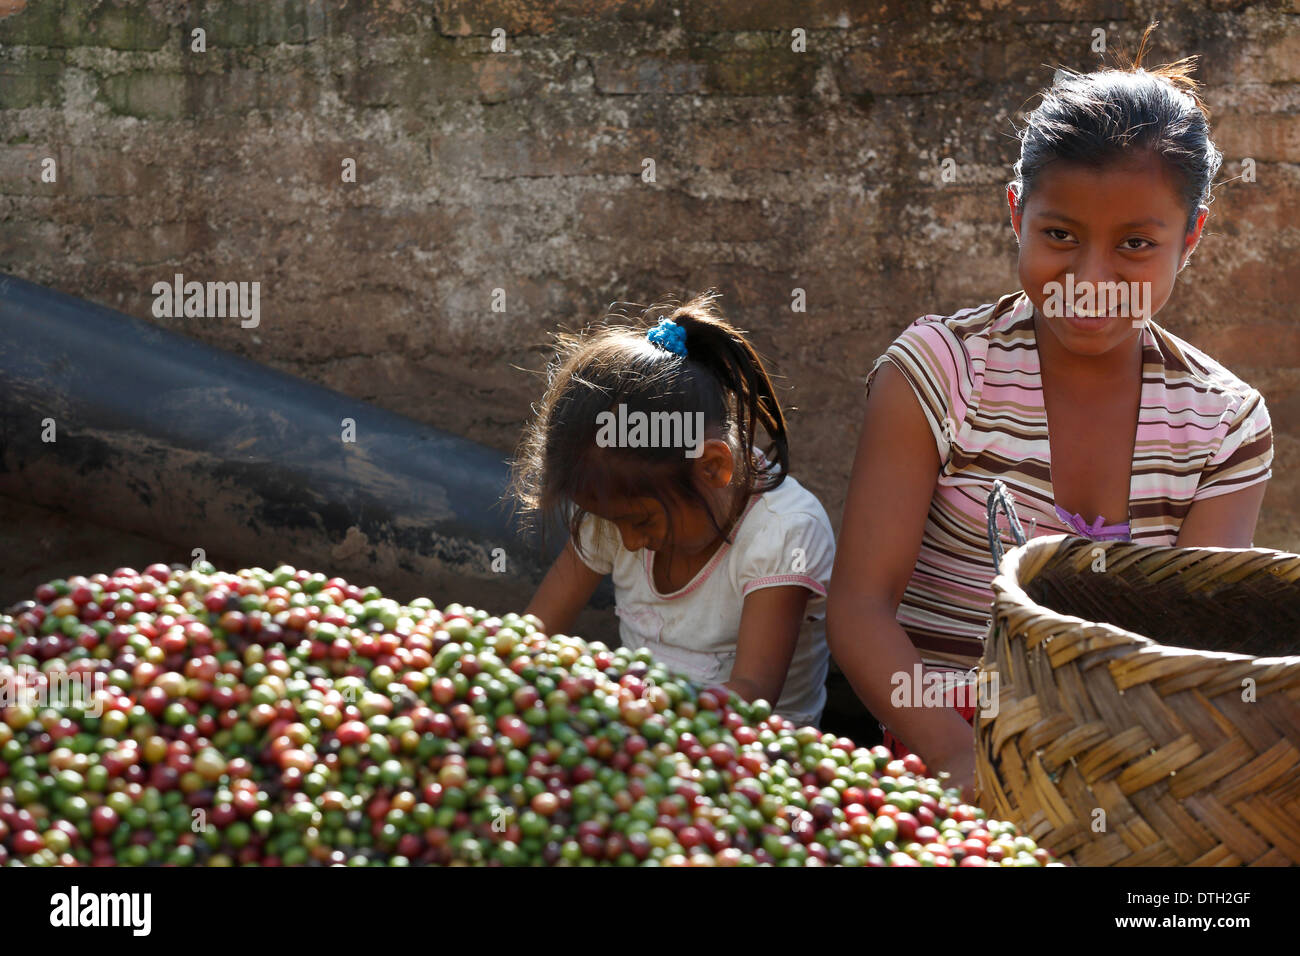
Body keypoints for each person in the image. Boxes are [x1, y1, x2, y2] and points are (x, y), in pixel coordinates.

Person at [827, 28, 1275, 798]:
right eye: (1060, 235)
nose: (1091, 278)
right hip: (931, 762)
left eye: (1135, 244)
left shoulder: (1225, 426)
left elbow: (1190, 659)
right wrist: (963, 764)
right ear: (1016, 215)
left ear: (1191, 237)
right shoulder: (939, 373)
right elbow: (862, 608)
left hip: (1127, 779)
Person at [509, 291, 836, 727]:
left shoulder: (784, 533)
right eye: (614, 522)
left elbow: (751, 699)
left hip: (753, 759)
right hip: (637, 743)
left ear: (713, 467)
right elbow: (533, 633)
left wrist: (630, 716)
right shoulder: (617, 508)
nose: (628, 540)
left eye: (640, 521)